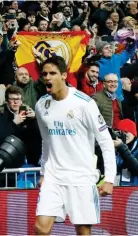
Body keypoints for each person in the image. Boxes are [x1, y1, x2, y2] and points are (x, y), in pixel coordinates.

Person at [34, 56, 116, 235]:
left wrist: (109, 178)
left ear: (64, 75)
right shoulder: (41, 105)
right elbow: (46, 141)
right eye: (44, 74)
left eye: (53, 73)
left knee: (83, 231)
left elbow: (105, 141)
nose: (48, 77)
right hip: (54, 177)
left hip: (81, 177)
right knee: (41, 228)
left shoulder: (84, 103)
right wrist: (43, 172)